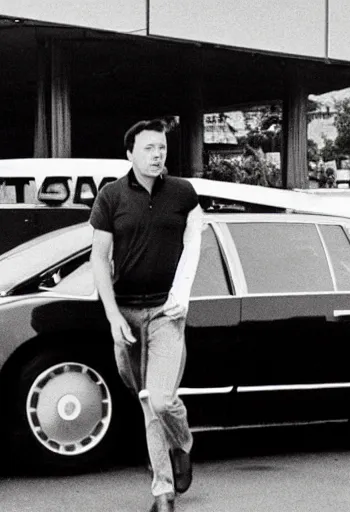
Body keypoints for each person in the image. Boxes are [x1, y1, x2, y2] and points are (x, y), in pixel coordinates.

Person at [90, 119, 203, 512]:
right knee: (145, 398)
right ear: (130, 154)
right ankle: (181, 443)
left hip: (166, 313)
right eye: (149, 148)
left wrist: (183, 293)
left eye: (162, 148)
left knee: (156, 400)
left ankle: (163, 491)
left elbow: (195, 242)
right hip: (125, 311)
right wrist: (112, 316)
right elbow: (98, 260)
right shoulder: (111, 196)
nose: (158, 154)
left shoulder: (183, 193)